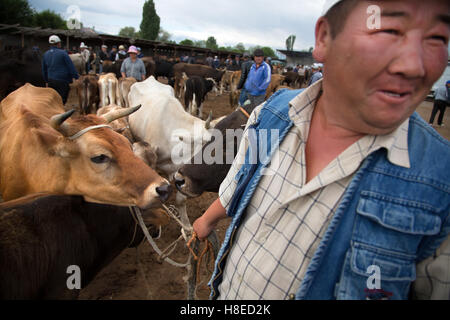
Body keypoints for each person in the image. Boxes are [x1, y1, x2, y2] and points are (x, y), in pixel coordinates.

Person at [193, 0, 450, 300]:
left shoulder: (440, 187)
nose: (414, 66)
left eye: (437, 38)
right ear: (324, 38)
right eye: (389, 30)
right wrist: (207, 218)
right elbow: (241, 180)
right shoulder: (271, 116)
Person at [42, 35, 79, 104]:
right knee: (62, 101)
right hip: (62, 81)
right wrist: (76, 77)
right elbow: (71, 67)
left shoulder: (45, 54)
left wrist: (46, 80)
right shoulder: (63, 53)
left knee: (53, 100)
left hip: (51, 81)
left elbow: (44, 69)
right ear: (58, 43)